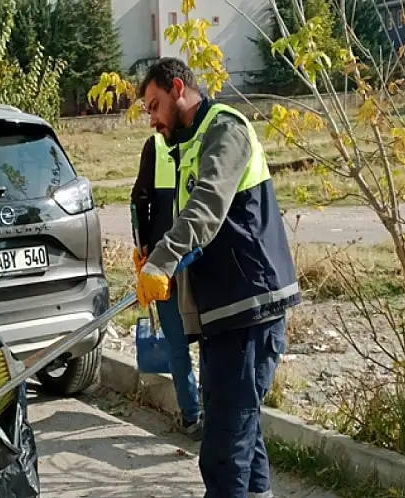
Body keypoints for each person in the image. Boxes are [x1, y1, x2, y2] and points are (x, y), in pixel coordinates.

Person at [134, 57, 301, 498]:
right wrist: (155, 255)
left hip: (250, 306)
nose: (151, 119)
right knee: (242, 432)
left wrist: (163, 262)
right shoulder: (187, 144)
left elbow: (207, 207)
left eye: (154, 106)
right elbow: (186, 221)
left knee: (224, 449)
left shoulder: (226, 130)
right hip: (223, 311)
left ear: (177, 88)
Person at [131, 133, 203, 440]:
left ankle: (192, 417)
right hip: (200, 258)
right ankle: (213, 413)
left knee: (176, 343)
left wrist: (144, 250)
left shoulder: (156, 145)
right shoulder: (205, 139)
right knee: (210, 339)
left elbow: (139, 201)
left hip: (167, 263)